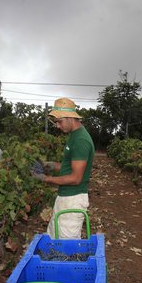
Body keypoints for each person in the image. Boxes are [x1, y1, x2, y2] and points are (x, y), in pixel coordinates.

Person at [31, 97, 95, 239]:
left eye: (59, 122)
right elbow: (69, 167)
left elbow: (75, 178)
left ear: (70, 117)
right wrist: (51, 165)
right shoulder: (74, 135)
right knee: (54, 238)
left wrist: (46, 179)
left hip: (73, 199)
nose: (58, 126)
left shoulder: (80, 140)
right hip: (65, 197)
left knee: (66, 247)